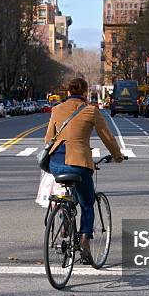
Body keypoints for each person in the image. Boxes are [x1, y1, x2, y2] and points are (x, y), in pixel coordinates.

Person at [44, 77, 124, 263]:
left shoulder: (56, 109)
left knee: (70, 189)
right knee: (88, 203)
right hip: (79, 163)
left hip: (55, 163)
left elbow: (48, 139)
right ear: (86, 92)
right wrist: (118, 156)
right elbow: (108, 138)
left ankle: (65, 214)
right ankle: (85, 240)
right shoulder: (91, 111)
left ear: (69, 92)